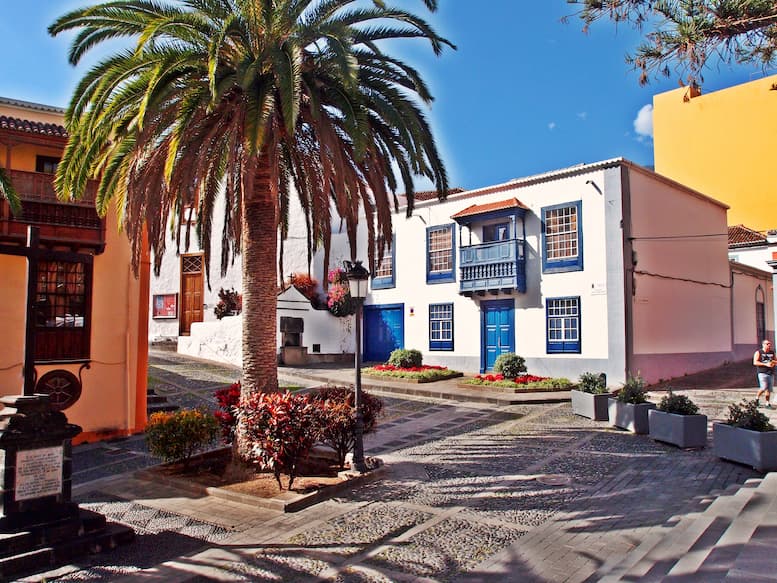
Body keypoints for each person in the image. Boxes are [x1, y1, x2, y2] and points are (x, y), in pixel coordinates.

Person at [754, 339, 776, 408]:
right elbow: (755, 362)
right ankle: (757, 398)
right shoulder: (759, 352)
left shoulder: (772, 352)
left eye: (769, 344)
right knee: (763, 387)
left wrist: (773, 363)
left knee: (768, 389)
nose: (769, 345)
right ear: (763, 345)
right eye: (767, 344)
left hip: (770, 373)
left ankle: (767, 403)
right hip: (762, 372)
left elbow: (775, 360)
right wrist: (766, 364)